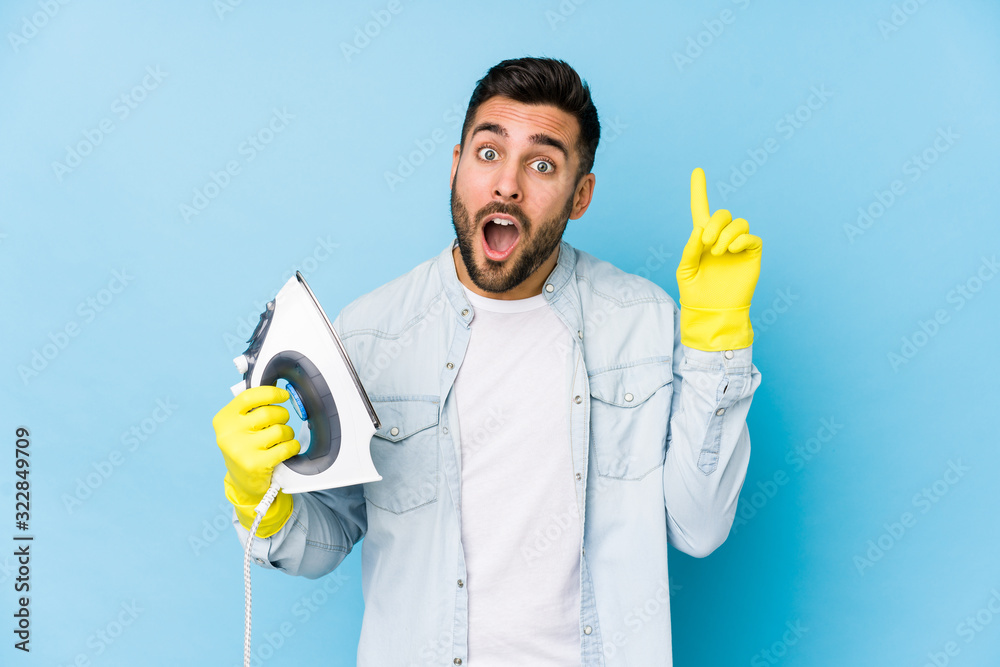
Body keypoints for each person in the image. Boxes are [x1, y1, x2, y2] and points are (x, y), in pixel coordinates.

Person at [213, 56, 763, 666]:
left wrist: (717, 340)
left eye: (543, 163)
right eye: (488, 153)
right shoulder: (371, 333)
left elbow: (700, 528)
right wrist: (253, 490)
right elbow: (324, 540)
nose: (507, 184)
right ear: (455, 166)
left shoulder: (645, 324)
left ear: (580, 196)